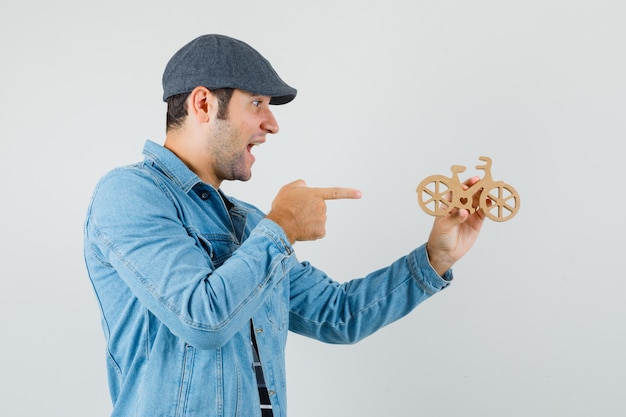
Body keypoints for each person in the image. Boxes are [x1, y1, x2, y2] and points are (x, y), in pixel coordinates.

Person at [83, 34, 487, 417]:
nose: (272, 124)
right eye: (257, 103)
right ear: (203, 104)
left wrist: (436, 256)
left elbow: (340, 315)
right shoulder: (129, 194)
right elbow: (201, 319)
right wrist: (284, 226)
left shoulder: (252, 225)